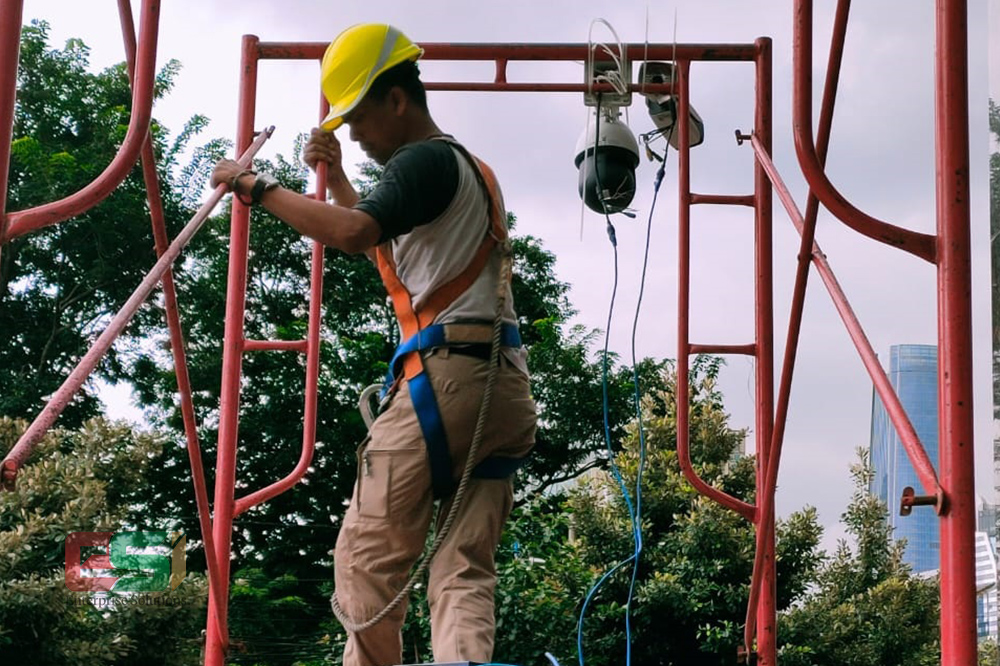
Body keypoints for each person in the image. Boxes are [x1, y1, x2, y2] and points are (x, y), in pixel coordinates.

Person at [210, 23, 537, 666]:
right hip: (500, 390)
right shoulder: (466, 171)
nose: (353, 133)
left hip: (444, 381)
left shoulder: (422, 159)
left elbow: (358, 234)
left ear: (397, 99)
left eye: (358, 116)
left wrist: (256, 188)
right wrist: (331, 178)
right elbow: (392, 254)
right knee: (462, 568)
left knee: (365, 563)